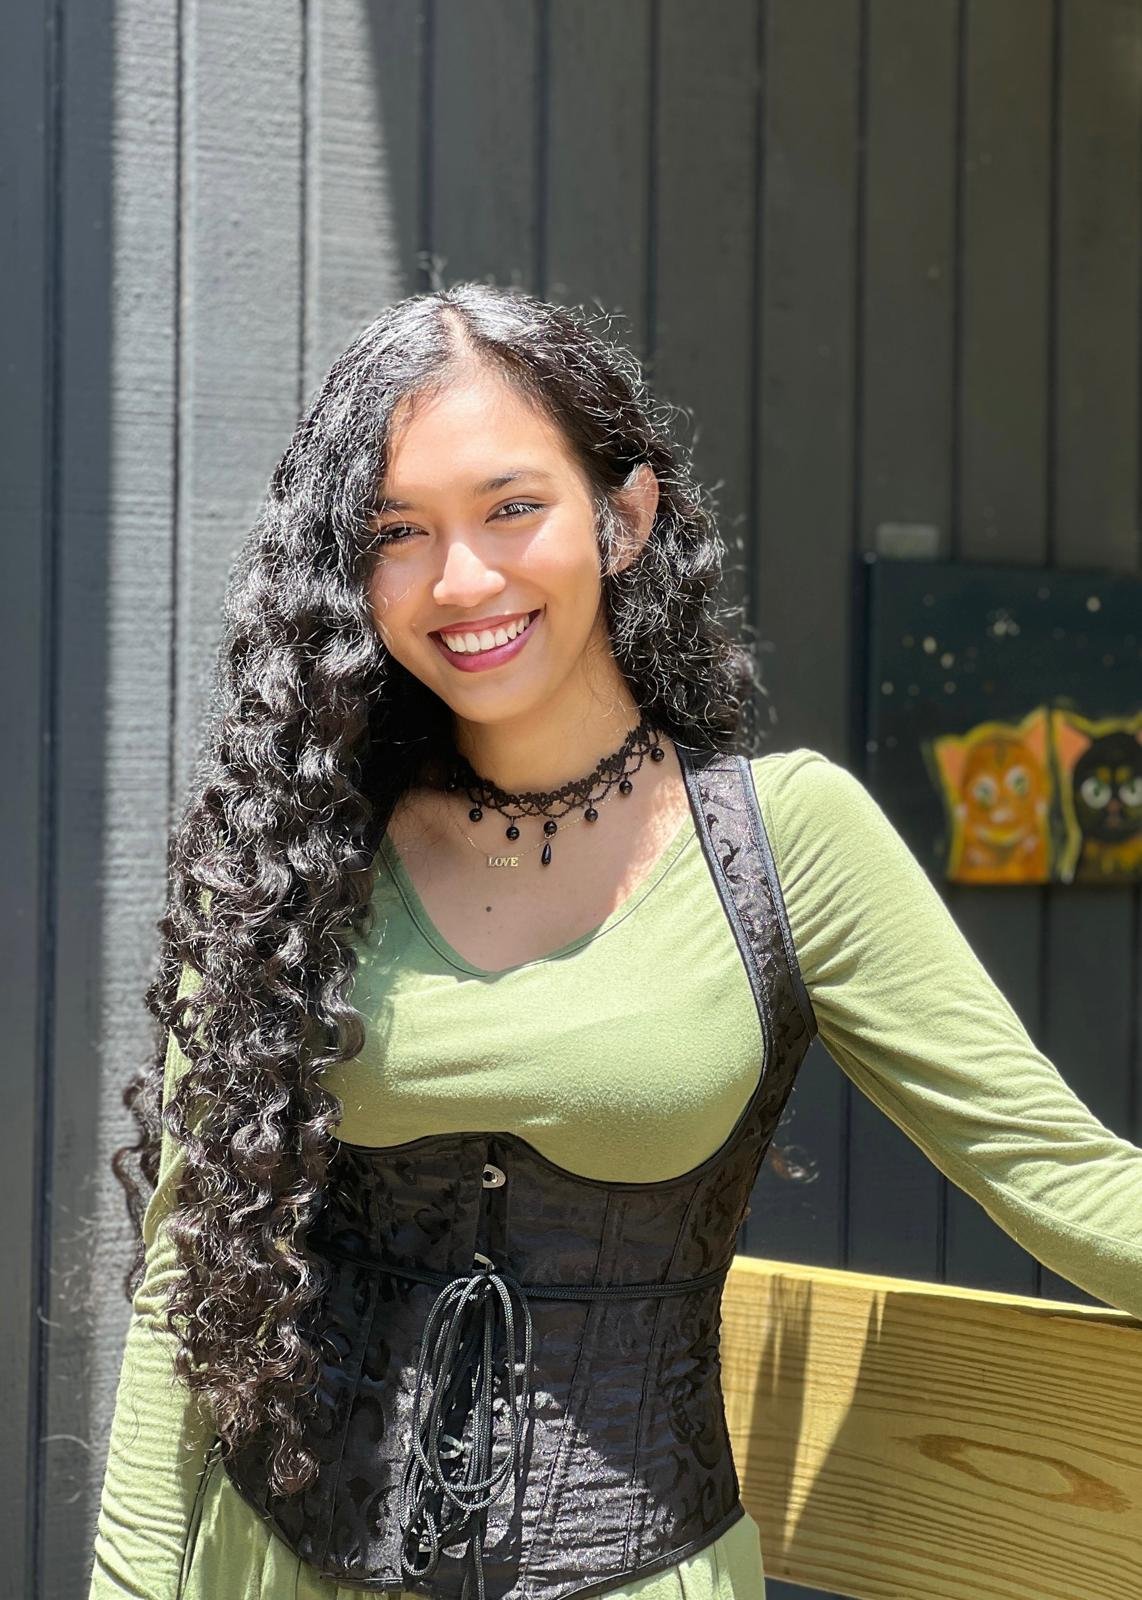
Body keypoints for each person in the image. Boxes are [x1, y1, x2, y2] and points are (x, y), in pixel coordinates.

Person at [89, 283, 1142, 1600]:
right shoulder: (296, 851)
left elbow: (1064, 1181)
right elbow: (189, 1279)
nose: (461, 578)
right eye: (396, 531)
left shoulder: (784, 845)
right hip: (266, 1567)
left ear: (624, 516)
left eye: (510, 506)